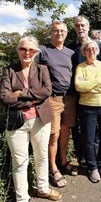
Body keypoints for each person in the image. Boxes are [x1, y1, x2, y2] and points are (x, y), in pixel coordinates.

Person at [0, 36, 62, 202]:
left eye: (31, 50)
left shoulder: (42, 69)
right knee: (19, 161)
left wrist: (20, 94)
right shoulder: (9, 70)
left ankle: (42, 188)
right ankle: (22, 201)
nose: (27, 53)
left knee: (42, 156)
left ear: (36, 53)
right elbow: (4, 98)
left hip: (40, 120)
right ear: (18, 50)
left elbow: (47, 91)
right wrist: (31, 97)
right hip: (17, 122)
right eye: (23, 49)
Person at [37, 21, 77, 188]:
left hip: (69, 98)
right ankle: (52, 168)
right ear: (50, 33)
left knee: (65, 131)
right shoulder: (43, 50)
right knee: (53, 135)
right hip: (51, 99)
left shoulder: (71, 52)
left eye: (62, 31)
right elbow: (33, 71)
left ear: (66, 33)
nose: (59, 33)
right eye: (56, 31)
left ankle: (63, 161)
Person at [67, 16, 101, 166]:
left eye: (83, 25)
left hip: (95, 95)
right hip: (77, 95)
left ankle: (94, 156)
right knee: (77, 126)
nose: (80, 28)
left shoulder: (98, 45)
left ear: (88, 27)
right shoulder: (70, 48)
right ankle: (81, 156)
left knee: (95, 126)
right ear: (75, 28)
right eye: (77, 26)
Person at [75, 40, 101, 183]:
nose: (91, 51)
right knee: (88, 140)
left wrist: (89, 87)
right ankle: (93, 168)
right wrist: (98, 81)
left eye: (93, 49)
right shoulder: (80, 67)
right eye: (88, 49)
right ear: (84, 52)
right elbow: (79, 86)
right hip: (87, 107)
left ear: (98, 51)